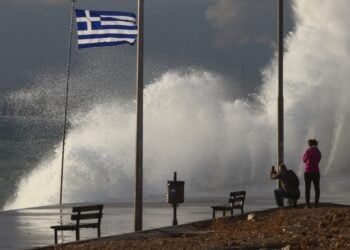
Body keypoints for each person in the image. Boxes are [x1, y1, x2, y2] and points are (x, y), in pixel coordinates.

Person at [302, 139, 322, 208]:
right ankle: (316, 204)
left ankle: (308, 205)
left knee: (307, 188)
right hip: (316, 171)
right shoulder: (318, 152)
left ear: (309, 144)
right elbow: (319, 159)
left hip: (308, 171)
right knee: (317, 188)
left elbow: (304, 160)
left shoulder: (308, 151)